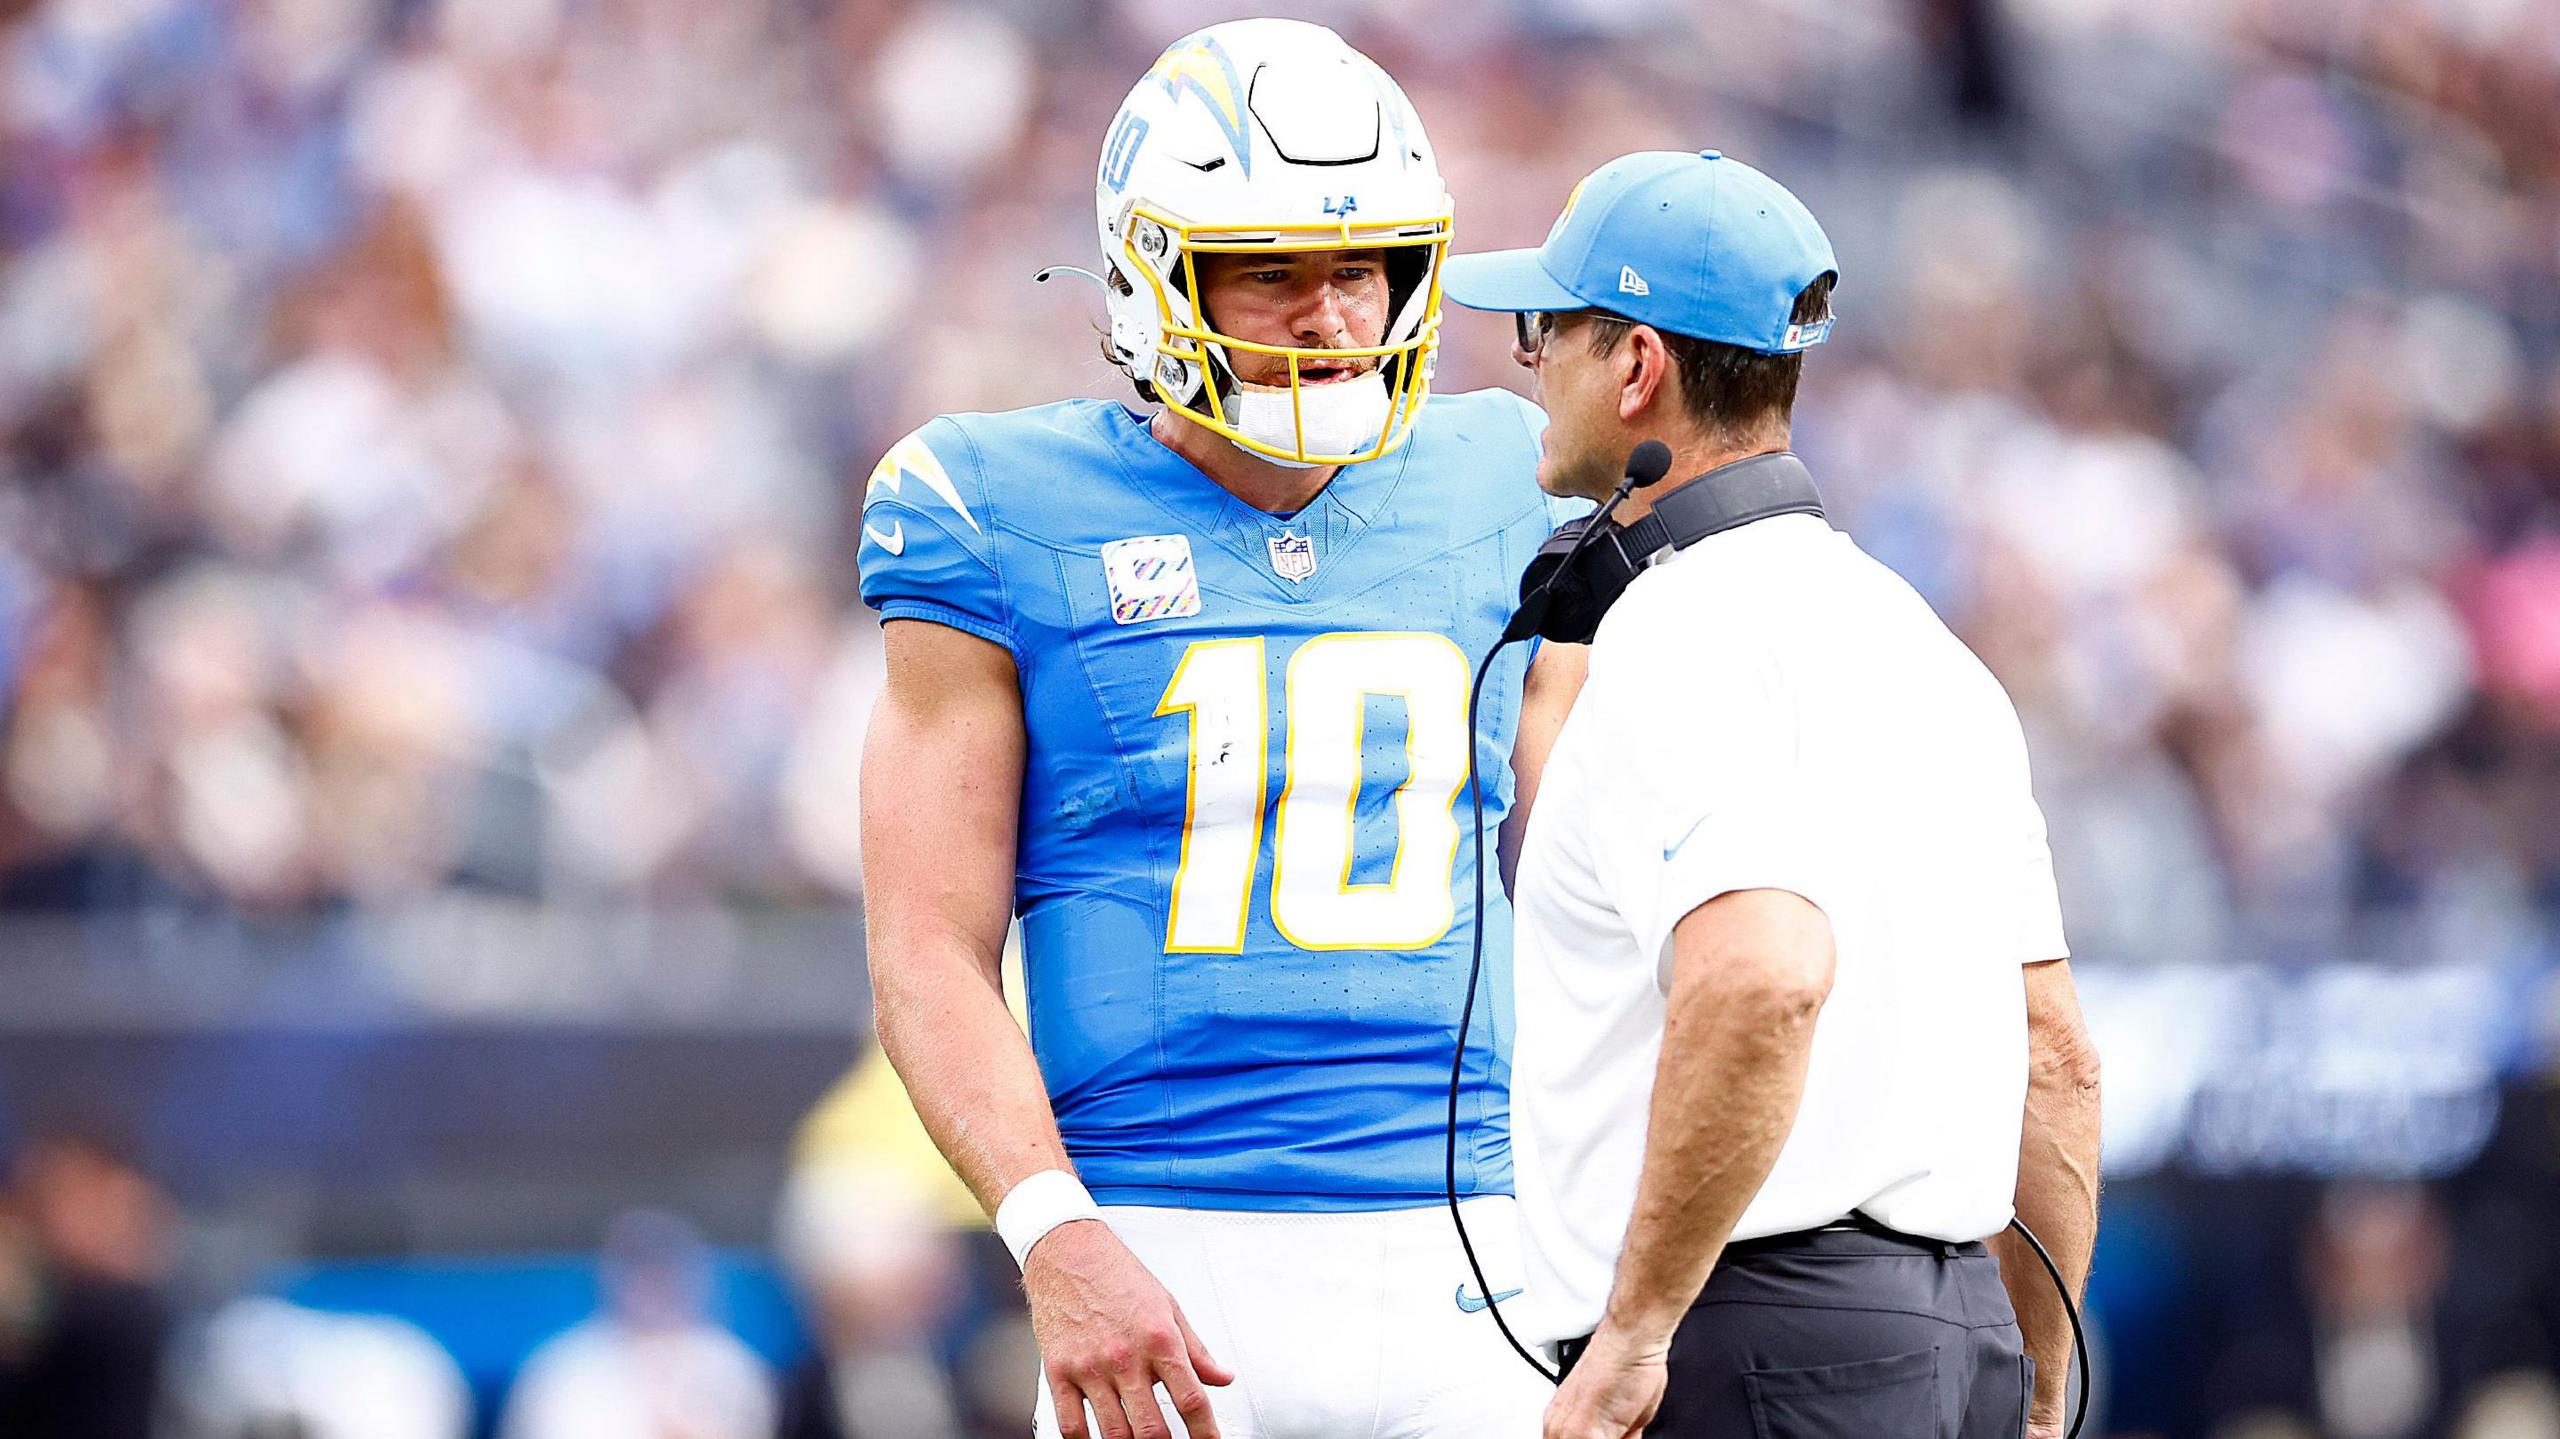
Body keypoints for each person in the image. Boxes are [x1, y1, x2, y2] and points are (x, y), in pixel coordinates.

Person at [857, 19, 1580, 1439]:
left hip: (1477, 1241)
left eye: (1359, 268)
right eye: (1270, 272)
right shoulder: (995, 503)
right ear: (1149, 276)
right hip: (1161, 1250)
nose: (1329, 317)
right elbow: (925, 950)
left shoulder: (1515, 475)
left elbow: (1602, 888)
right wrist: (1053, 1233)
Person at [1438, 150, 2105, 1439]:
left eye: (1548, 331)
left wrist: (1634, 1335)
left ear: (1637, 366)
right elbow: (2059, 1058)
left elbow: (1762, 976)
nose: (1531, 366)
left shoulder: (1681, 631)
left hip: (1750, 1345)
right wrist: (2036, 1371)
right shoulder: (1927, 645)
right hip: (1955, 1334)